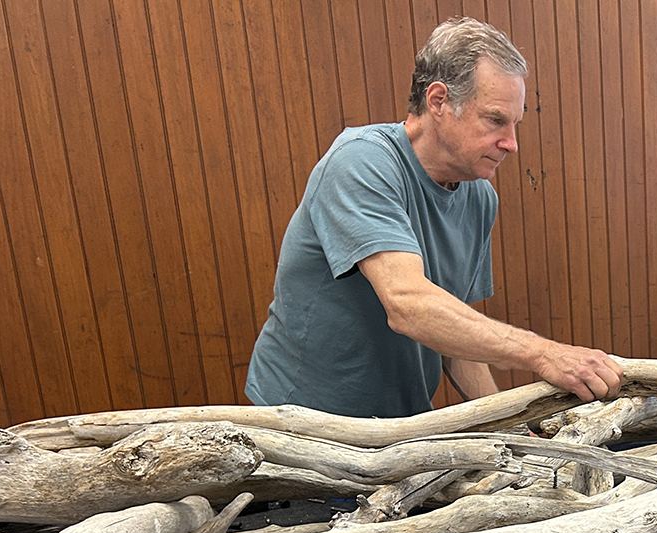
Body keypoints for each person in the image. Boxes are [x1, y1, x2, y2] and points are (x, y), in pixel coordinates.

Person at [245, 17, 621, 418]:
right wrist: (544, 354)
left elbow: (455, 338)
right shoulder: (360, 161)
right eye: (495, 119)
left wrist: (507, 425)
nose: (511, 144)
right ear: (438, 101)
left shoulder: (479, 196)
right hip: (301, 416)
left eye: (515, 125)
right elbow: (408, 304)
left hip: (399, 423)